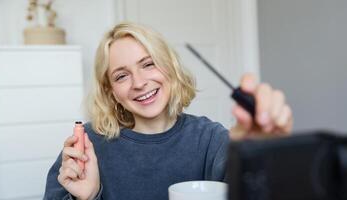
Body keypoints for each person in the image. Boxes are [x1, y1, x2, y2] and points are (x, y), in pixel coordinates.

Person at [43, 22, 293, 200]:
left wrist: (264, 157)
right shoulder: (86, 147)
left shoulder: (212, 140)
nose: (139, 82)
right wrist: (86, 199)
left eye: (148, 64)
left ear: (170, 68)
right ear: (111, 93)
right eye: (121, 76)